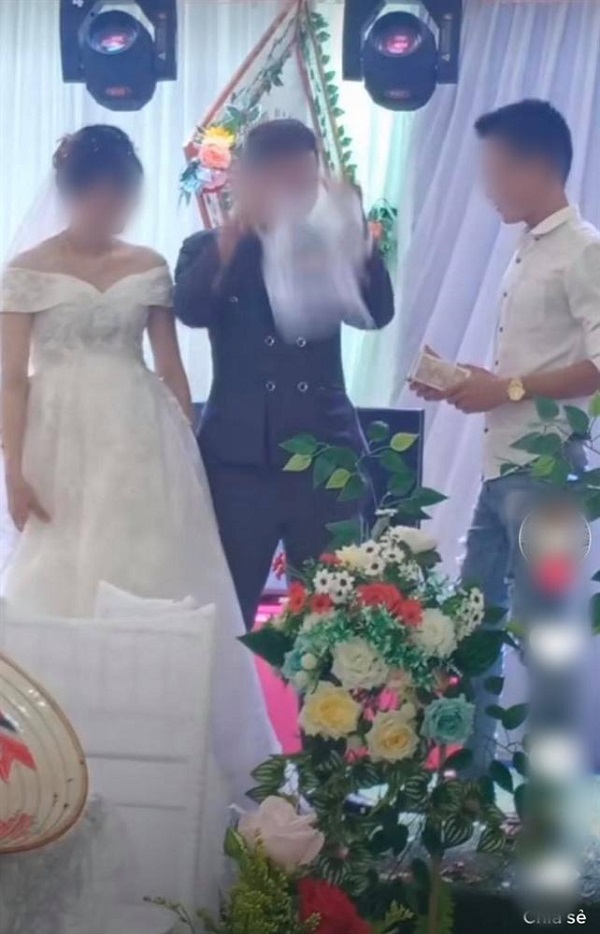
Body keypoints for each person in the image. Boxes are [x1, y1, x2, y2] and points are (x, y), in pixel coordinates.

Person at [0, 126, 278, 810]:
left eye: (122, 193)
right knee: (61, 577)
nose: (113, 206)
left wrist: (190, 451)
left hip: (139, 438)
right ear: (73, 192)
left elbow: (171, 367)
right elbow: (10, 379)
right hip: (59, 441)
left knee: (151, 572)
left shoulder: (148, 264)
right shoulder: (27, 269)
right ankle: (58, 760)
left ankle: (163, 758)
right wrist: (14, 469)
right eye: (100, 194)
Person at [412, 99, 600, 772]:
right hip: (502, 468)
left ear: (537, 166)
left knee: (548, 637)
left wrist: (508, 389)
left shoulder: (583, 250)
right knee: (476, 626)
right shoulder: (529, 249)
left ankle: (553, 792)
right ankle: (472, 780)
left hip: (547, 472)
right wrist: (470, 381)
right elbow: (528, 369)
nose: (488, 188)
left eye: (495, 173)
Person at [174, 118, 395, 630]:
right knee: (225, 616)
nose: (296, 195)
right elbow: (190, 308)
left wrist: (357, 237)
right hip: (237, 460)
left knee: (329, 620)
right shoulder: (209, 247)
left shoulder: (329, 242)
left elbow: (378, 313)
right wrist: (233, 234)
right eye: (283, 182)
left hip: (325, 455)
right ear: (252, 179)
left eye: (305, 182)